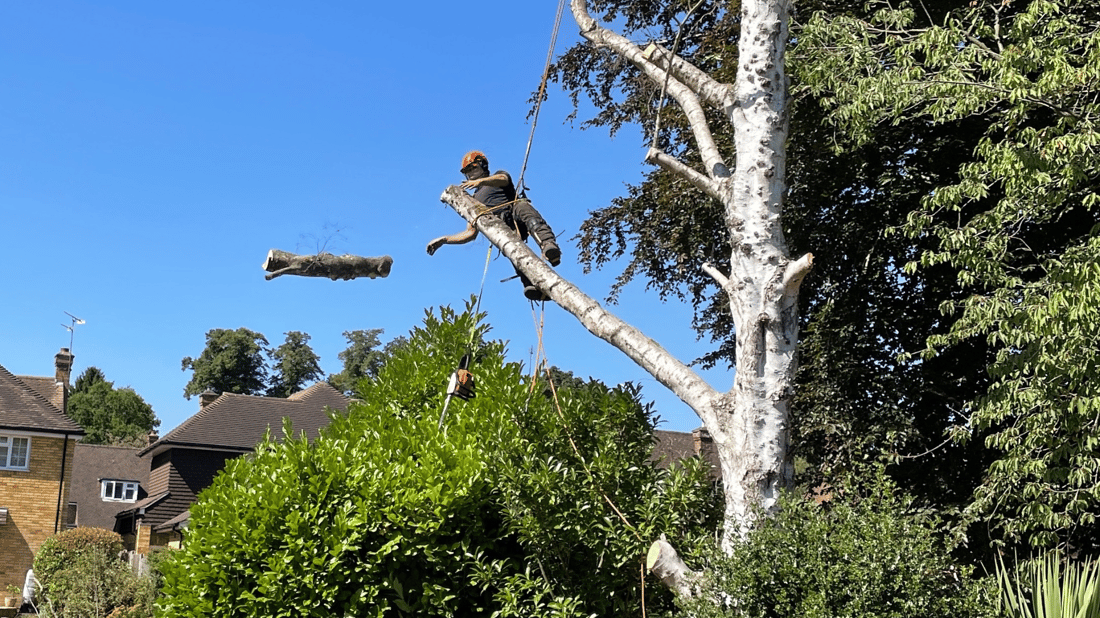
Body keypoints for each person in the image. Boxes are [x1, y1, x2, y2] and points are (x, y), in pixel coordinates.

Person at [426, 150, 562, 301]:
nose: (471, 173)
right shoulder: (473, 200)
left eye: (473, 168)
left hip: (514, 213)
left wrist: (481, 181)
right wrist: (445, 239)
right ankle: (531, 284)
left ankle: (548, 245)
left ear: (483, 166)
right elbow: (470, 233)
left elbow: (503, 179)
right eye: (468, 171)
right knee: (510, 247)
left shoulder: (497, 176)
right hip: (500, 227)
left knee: (524, 210)